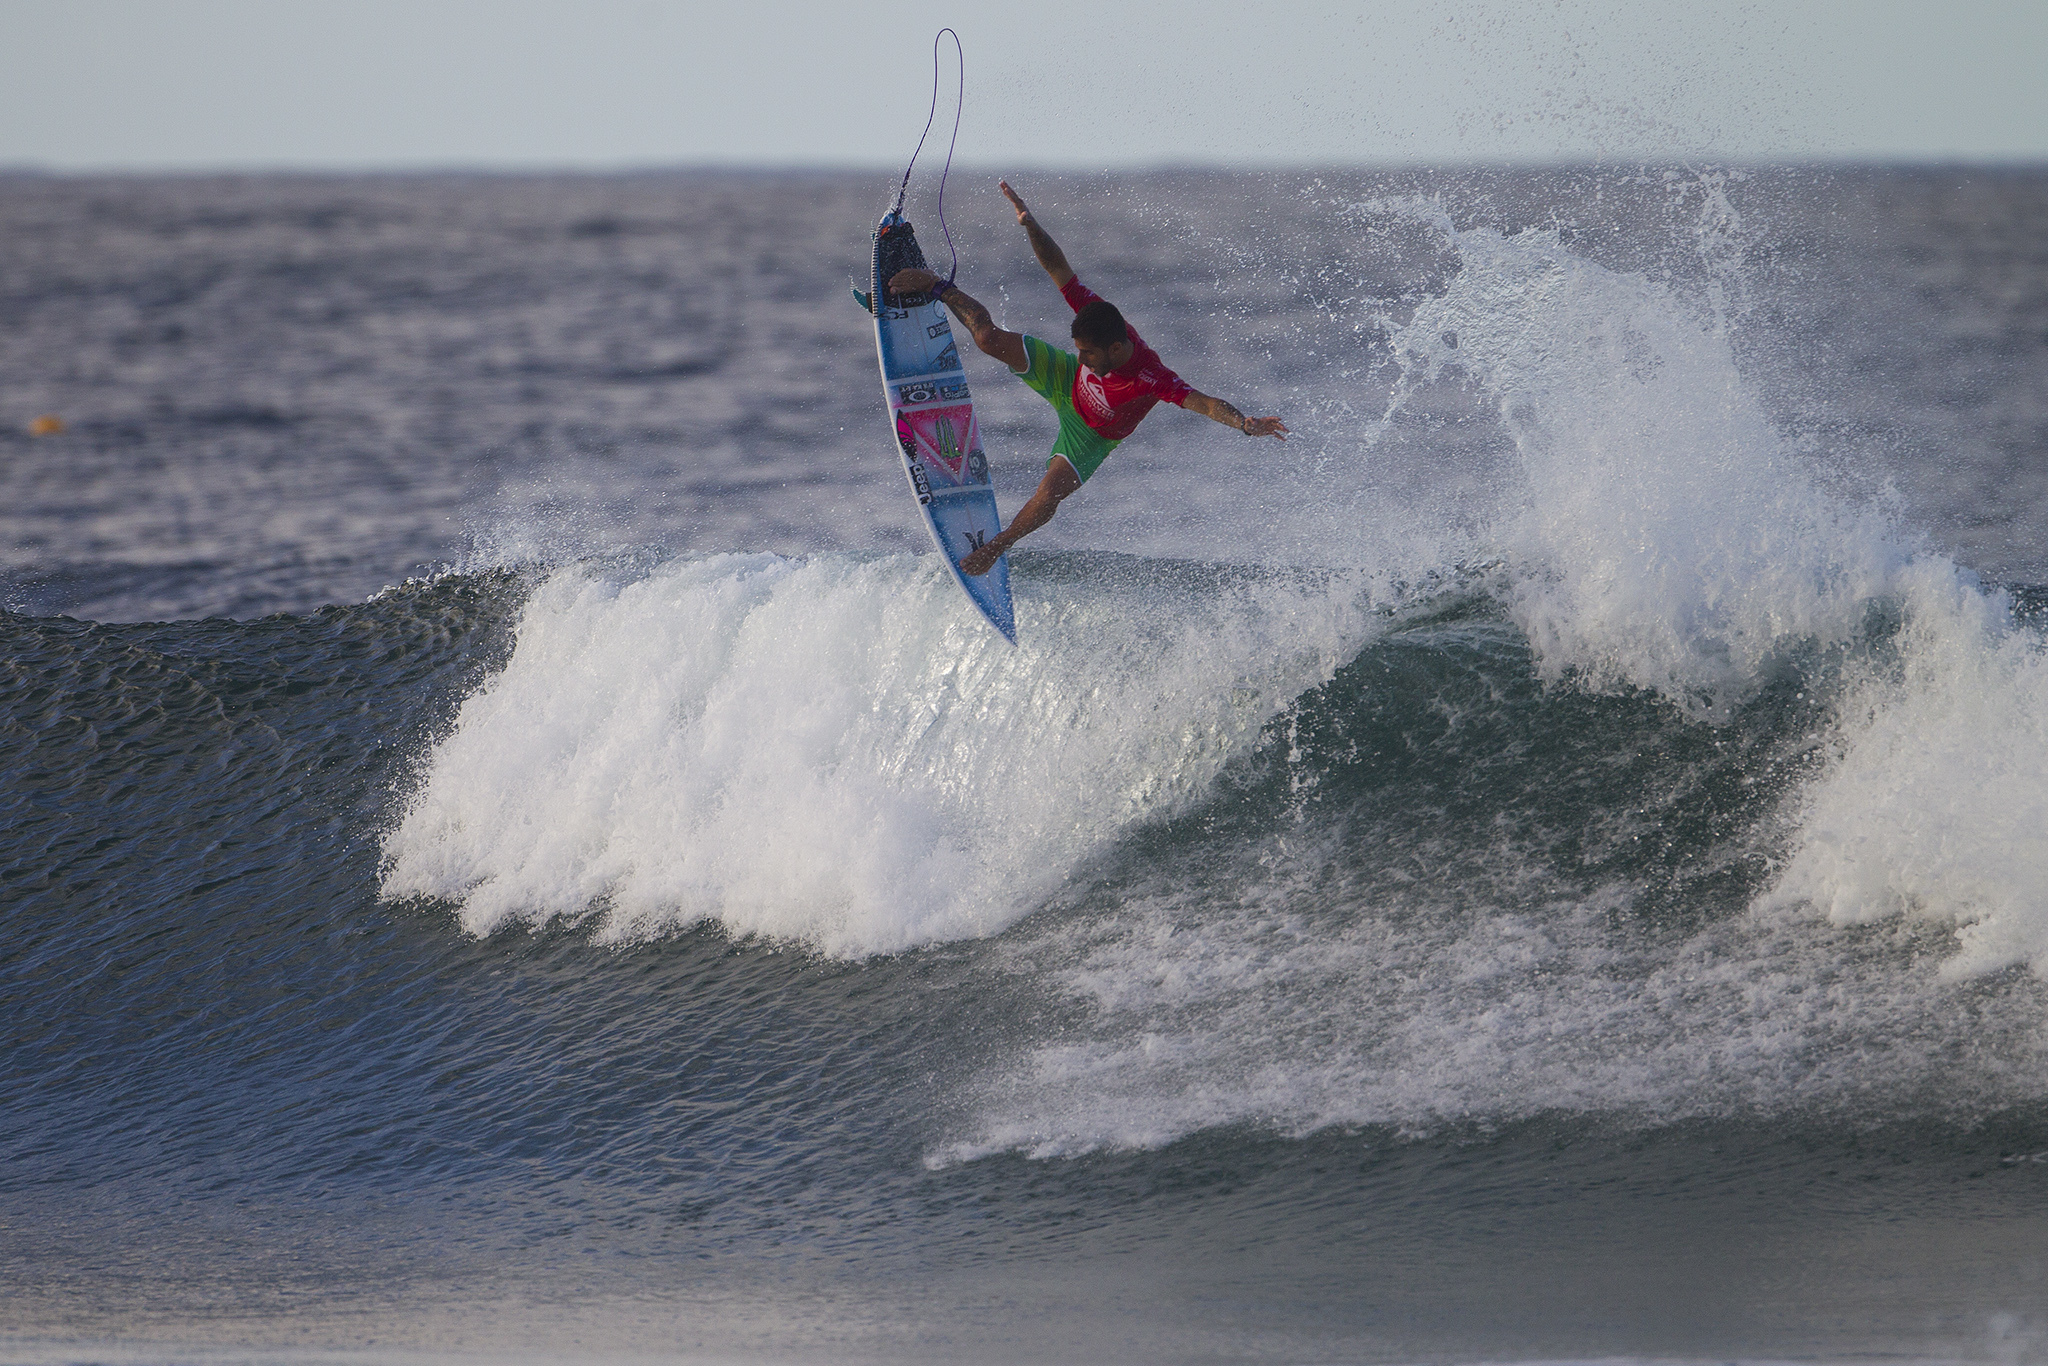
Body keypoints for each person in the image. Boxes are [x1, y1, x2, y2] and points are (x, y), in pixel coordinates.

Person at [889, 181, 1288, 576]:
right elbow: (1058, 269)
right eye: (1079, 349)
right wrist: (1031, 224)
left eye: (1089, 354)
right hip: (1065, 381)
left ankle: (997, 547)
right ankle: (936, 286)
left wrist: (1245, 424)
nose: (1083, 358)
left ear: (1117, 349)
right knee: (988, 339)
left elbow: (1203, 402)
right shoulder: (1092, 324)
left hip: (1092, 435)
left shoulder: (1151, 376)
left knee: (1050, 493)